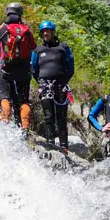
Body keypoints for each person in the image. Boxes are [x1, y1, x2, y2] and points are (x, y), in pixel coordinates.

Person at [0, 2, 36, 130]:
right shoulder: (27, 31)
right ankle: (25, 126)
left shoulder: (1, 29)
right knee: (24, 100)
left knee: (5, 97)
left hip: (6, 69)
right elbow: (33, 47)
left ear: (8, 13)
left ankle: (4, 122)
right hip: (23, 70)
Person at [32, 20, 75, 151]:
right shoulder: (37, 50)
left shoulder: (63, 48)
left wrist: (64, 82)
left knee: (61, 117)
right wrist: (42, 82)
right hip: (45, 87)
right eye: (43, 32)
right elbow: (34, 69)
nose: (46, 33)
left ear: (53, 32)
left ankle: (64, 146)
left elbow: (70, 67)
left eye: (48, 31)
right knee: (48, 116)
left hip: (60, 87)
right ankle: (50, 144)